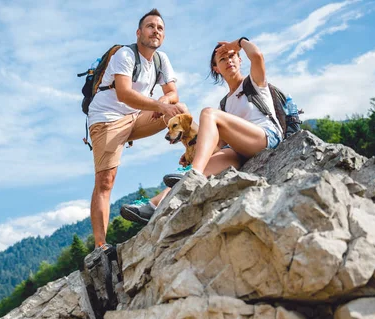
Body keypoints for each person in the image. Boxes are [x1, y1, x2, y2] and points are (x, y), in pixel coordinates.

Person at [121, 37, 282, 223]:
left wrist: (237, 43)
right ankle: (153, 206)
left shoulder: (253, 82)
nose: (229, 60)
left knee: (208, 114)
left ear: (240, 60)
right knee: (198, 166)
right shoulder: (225, 104)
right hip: (239, 150)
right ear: (216, 68)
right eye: (222, 59)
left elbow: (257, 55)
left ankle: (194, 173)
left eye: (232, 56)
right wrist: (194, 153)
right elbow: (217, 144)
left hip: (266, 137)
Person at [85, 9, 186, 264]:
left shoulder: (161, 60)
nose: (156, 31)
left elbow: (173, 92)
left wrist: (164, 101)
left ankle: (191, 162)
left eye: (160, 28)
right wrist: (159, 105)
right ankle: (100, 246)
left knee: (180, 112)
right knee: (105, 181)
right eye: (150, 26)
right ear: (139, 32)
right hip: (107, 119)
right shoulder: (125, 54)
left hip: (136, 117)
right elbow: (124, 94)